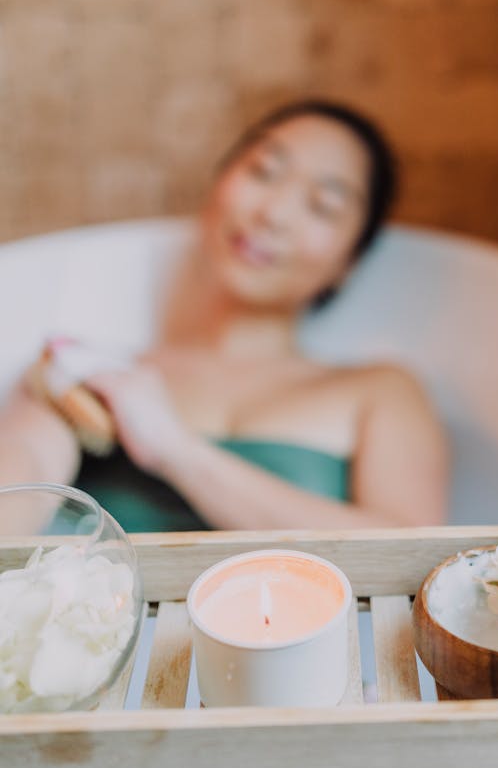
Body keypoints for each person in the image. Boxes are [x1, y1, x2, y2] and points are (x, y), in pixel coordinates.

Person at [0, 100, 449, 532]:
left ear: (348, 263)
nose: (272, 214)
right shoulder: (94, 375)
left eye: (322, 206)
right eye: (262, 172)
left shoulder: (380, 391)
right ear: (217, 186)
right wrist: (52, 385)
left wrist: (174, 450)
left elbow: (412, 557)